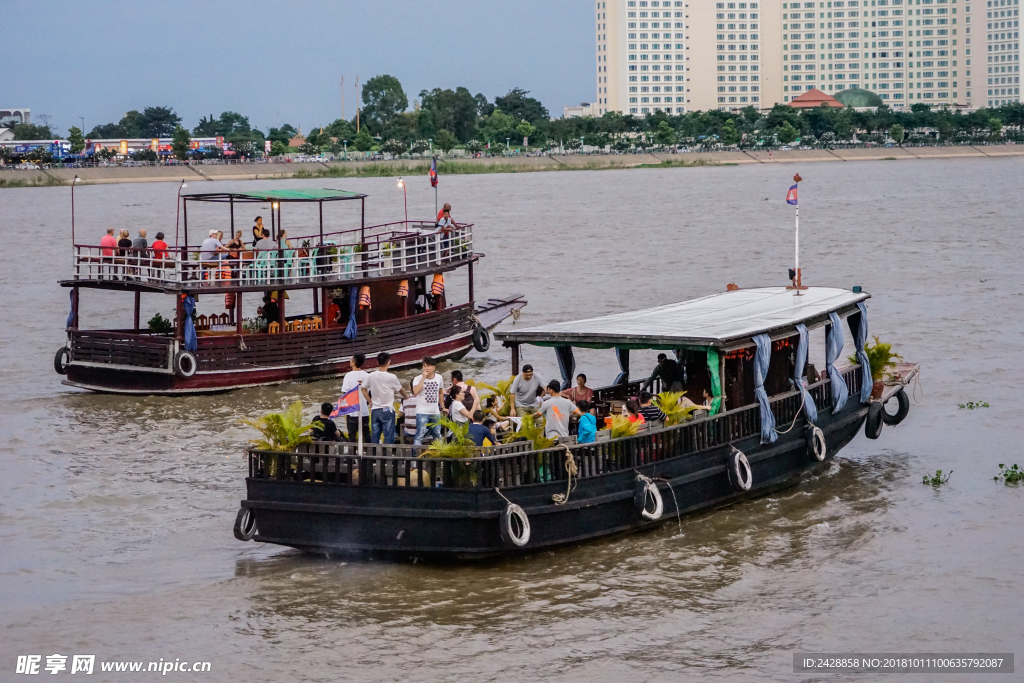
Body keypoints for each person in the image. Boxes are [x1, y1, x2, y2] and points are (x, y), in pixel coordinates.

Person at [361, 352, 409, 445]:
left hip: (375, 409)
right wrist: (407, 397)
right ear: (388, 362)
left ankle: (374, 456)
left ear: (377, 362)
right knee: (388, 435)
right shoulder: (392, 377)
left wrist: (369, 401)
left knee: (375, 435)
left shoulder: (371, 375)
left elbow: (363, 389)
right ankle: (387, 456)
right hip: (387, 410)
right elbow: (401, 390)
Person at [412, 356, 445, 445]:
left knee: (437, 435)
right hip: (422, 412)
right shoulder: (417, 379)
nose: (426, 368)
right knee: (419, 436)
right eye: (425, 366)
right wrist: (423, 378)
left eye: (429, 366)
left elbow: (441, 392)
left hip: (435, 412)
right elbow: (416, 392)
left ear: (433, 367)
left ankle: (439, 456)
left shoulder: (439, 378)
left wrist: (443, 406)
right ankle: (415, 458)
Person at [340, 352, 370, 441]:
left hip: (351, 411)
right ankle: (370, 452)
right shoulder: (366, 375)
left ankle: (352, 453)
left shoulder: (348, 376)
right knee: (366, 433)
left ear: (353, 362)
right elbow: (369, 393)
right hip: (364, 410)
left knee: (352, 434)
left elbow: (345, 393)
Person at [400, 379, 419, 444]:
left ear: (410, 388)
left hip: (408, 431)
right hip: (421, 430)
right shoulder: (424, 400)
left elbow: (400, 414)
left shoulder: (405, 400)